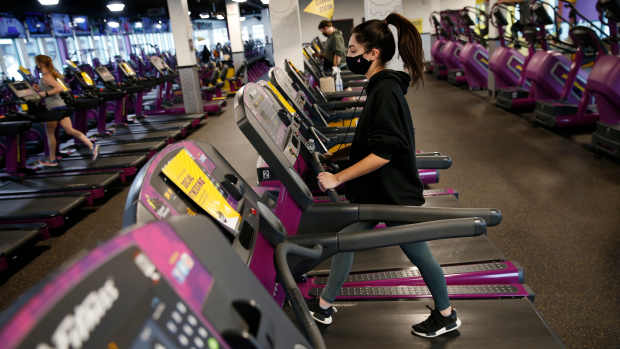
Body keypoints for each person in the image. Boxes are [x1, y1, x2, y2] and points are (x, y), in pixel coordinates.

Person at [308, 13, 461, 338]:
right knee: (346, 241)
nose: (348, 55)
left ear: (372, 53)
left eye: (352, 49)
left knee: (419, 254)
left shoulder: (386, 92)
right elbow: (374, 142)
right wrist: (339, 160)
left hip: (392, 194)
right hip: (378, 191)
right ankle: (323, 306)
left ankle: (447, 315)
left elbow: (385, 151)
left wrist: (339, 178)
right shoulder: (379, 87)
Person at [33, 55, 99, 167]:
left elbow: (59, 88)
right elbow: (52, 87)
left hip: (53, 108)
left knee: (50, 134)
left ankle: (52, 160)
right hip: (61, 106)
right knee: (70, 130)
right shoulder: (49, 74)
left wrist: (44, 94)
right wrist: (39, 89)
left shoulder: (46, 76)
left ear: (40, 64)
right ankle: (91, 145)